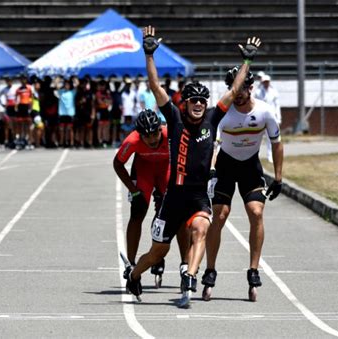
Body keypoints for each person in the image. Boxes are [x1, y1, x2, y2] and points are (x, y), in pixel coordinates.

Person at [125, 25, 261, 308]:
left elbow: (236, 88)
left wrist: (247, 62)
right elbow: (154, 86)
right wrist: (149, 54)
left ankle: (190, 273)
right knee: (157, 253)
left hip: (199, 195)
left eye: (202, 100)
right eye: (193, 101)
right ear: (184, 104)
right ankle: (135, 274)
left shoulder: (213, 119)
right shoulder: (174, 119)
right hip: (173, 196)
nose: (199, 104)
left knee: (201, 229)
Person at [202, 66, 284, 302]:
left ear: (251, 88)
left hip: (250, 166)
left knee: (256, 212)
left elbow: (277, 144)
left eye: (243, 89)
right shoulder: (223, 114)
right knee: (219, 215)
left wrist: (278, 178)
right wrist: (210, 171)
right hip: (226, 166)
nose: (238, 94)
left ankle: (253, 270)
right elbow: (212, 146)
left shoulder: (265, 112)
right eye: (234, 89)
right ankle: (210, 269)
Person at [114, 109, 188, 287]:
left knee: (178, 217)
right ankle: (130, 264)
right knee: (137, 213)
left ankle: (185, 264)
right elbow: (118, 163)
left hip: (165, 170)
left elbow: (188, 155)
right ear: (139, 135)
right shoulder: (132, 140)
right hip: (144, 171)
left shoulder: (171, 134)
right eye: (147, 137)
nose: (153, 139)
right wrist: (133, 190)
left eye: (155, 134)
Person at [254, 74, 281, 162]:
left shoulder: (274, 92)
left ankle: (270, 155)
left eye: (267, 82)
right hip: (260, 116)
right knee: (257, 137)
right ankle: (255, 155)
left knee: (271, 137)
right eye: (264, 82)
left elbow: (277, 105)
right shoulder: (258, 92)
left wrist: (279, 117)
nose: (266, 83)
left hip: (271, 117)